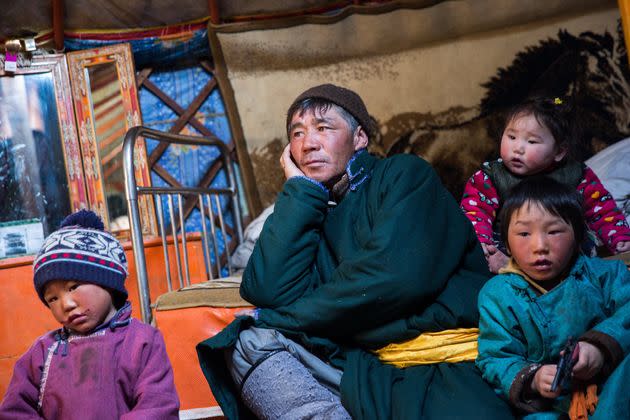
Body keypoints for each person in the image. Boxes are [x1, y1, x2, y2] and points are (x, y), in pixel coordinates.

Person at [197, 84, 514, 419]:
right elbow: (265, 290)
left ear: (360, 138)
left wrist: (280, 318)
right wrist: (300, 191)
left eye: (323, 128)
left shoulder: (403, 174)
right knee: (247, 342)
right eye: (297, 133)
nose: (309, 143)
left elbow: (392, 278)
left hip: (440, 365)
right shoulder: (308, 208)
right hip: (364, 367)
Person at [0, 209, 180, 419]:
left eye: (73, 286)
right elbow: (14, 412)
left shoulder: (143, 342)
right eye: (52, 299)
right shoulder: (41, 352)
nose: (65, 304)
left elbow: (157, 408)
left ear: (107, 281)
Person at [476, 176, 630, 418]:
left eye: (554, 231)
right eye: (524, 233)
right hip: (550, 405)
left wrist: (598, 349)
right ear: (506, 241)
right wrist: (534, 378)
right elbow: (496, 357)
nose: (540, 246)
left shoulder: (607, 275)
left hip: (613, 386)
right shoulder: (498, 294)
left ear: (578, 236)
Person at [460, 96, 630, 273]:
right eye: (511, 137)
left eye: (531, 141)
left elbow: (601, 209)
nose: (517, 148)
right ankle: (512, 272)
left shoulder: (577, 175)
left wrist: (619, 238)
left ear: (558, 151)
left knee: (584, 256)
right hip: (512, 249)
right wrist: (483, 243)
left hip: (563, 249)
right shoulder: (490, 177)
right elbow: (475, 213)